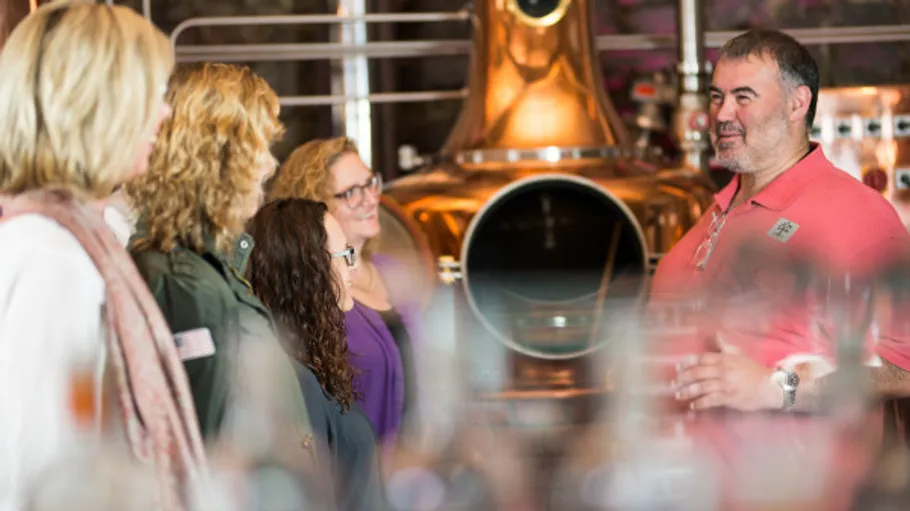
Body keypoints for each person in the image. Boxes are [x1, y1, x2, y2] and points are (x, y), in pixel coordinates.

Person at [647, 28, 910, 507]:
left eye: (743, 97)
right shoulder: (713, 216)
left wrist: (778, 388)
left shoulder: (855, 213)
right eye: (717, 97)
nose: (722, 114)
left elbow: (904, 368)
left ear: (797, 103)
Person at [0, 2, 205, 510]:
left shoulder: (60, 238)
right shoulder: (52, 258)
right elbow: (36, 482)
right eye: (156, 95)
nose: (166, 113)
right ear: (99, 103)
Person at [124, 64, 328, 505]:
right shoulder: (183, 283)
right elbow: (199, 455)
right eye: (259, 149)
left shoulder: (215, 266)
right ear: (217, 157)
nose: (269, 166)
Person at [268, 137, 423, 450]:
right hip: (355, 477)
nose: (370, 199)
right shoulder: (312, 293)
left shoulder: (390, 269)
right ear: (315, 208)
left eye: (370, 184)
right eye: (351, 193)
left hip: (413, 468)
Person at [247, 198, 388, 511]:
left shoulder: (310, 361)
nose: (352, 266)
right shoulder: (298, 380)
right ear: (307, 269)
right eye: (343, 255)